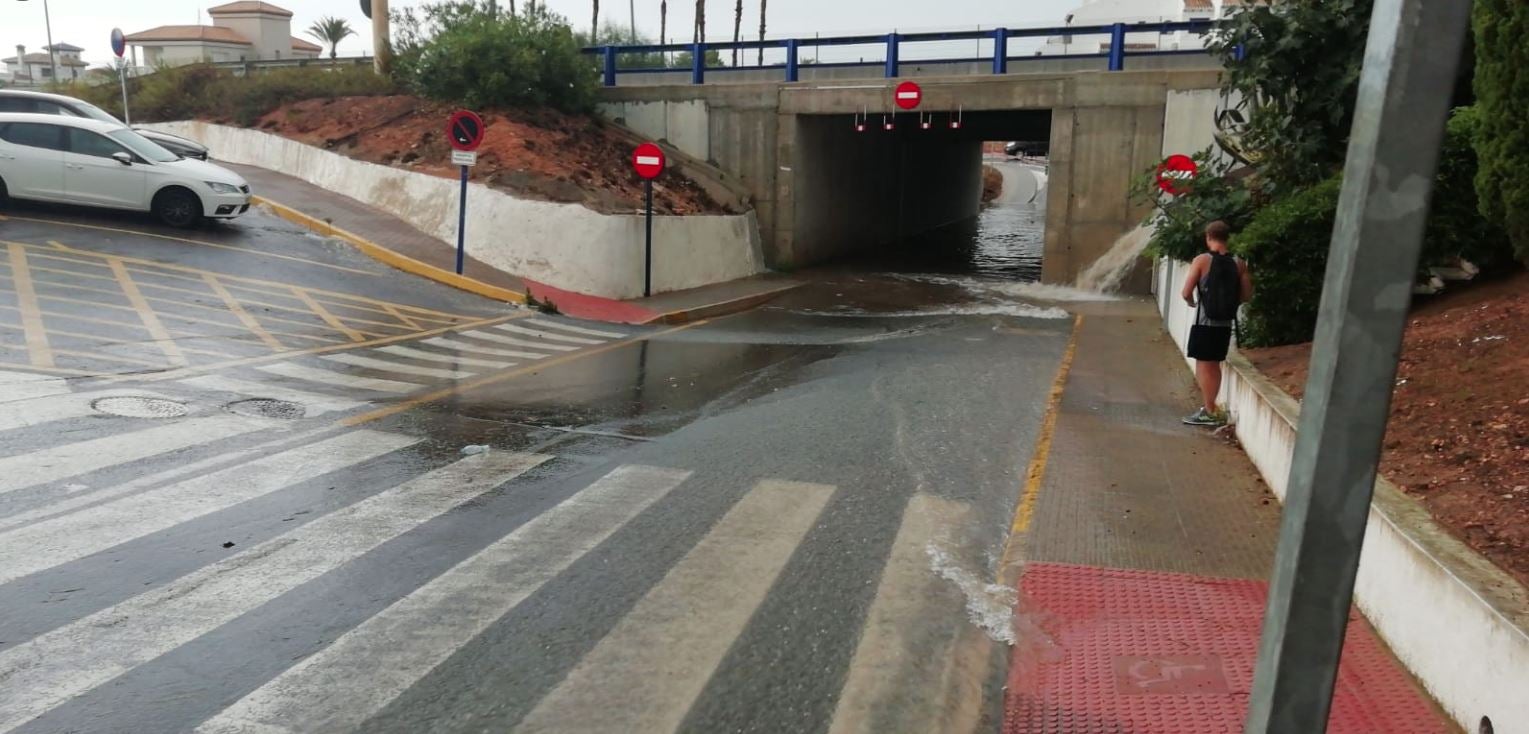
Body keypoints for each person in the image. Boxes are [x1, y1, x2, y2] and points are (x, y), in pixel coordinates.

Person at [1180, 220, 1253, 427]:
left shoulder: (1202, 260)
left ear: (1208, 237)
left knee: (1204, 365)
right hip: (1224, 324)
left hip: (1204, 322)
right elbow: (1246, 295)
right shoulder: (1239, 263)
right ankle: (1211, 408)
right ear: (1227, 237)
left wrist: (1192, 301)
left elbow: (1186, 292)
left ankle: (1210, 411)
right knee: (1215, 365)